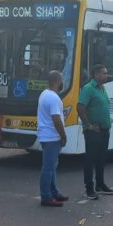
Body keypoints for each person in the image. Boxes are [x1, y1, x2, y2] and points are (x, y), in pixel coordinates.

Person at [77, 64, 113, 200]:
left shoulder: (102, 88)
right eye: (104, 73)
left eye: (106, 73)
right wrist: (88, 125)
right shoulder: (88, 89)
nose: (106, 75)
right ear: (96, 75)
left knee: (101, 159)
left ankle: (100, 184)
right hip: (94, 131)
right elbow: (80, 107)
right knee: (90, 159)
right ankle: (89, 188)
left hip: (104, 129)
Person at [36, 70, 68, 207]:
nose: (63, 82)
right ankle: (46, 197)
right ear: (58, 81)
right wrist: (63, 136)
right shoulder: (54, 98)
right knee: (48, 168)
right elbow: (56, 119)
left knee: (52, 166)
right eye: (62, 79)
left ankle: (54, 192)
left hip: (46, 136)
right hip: (51, 137)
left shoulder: (44, 94)